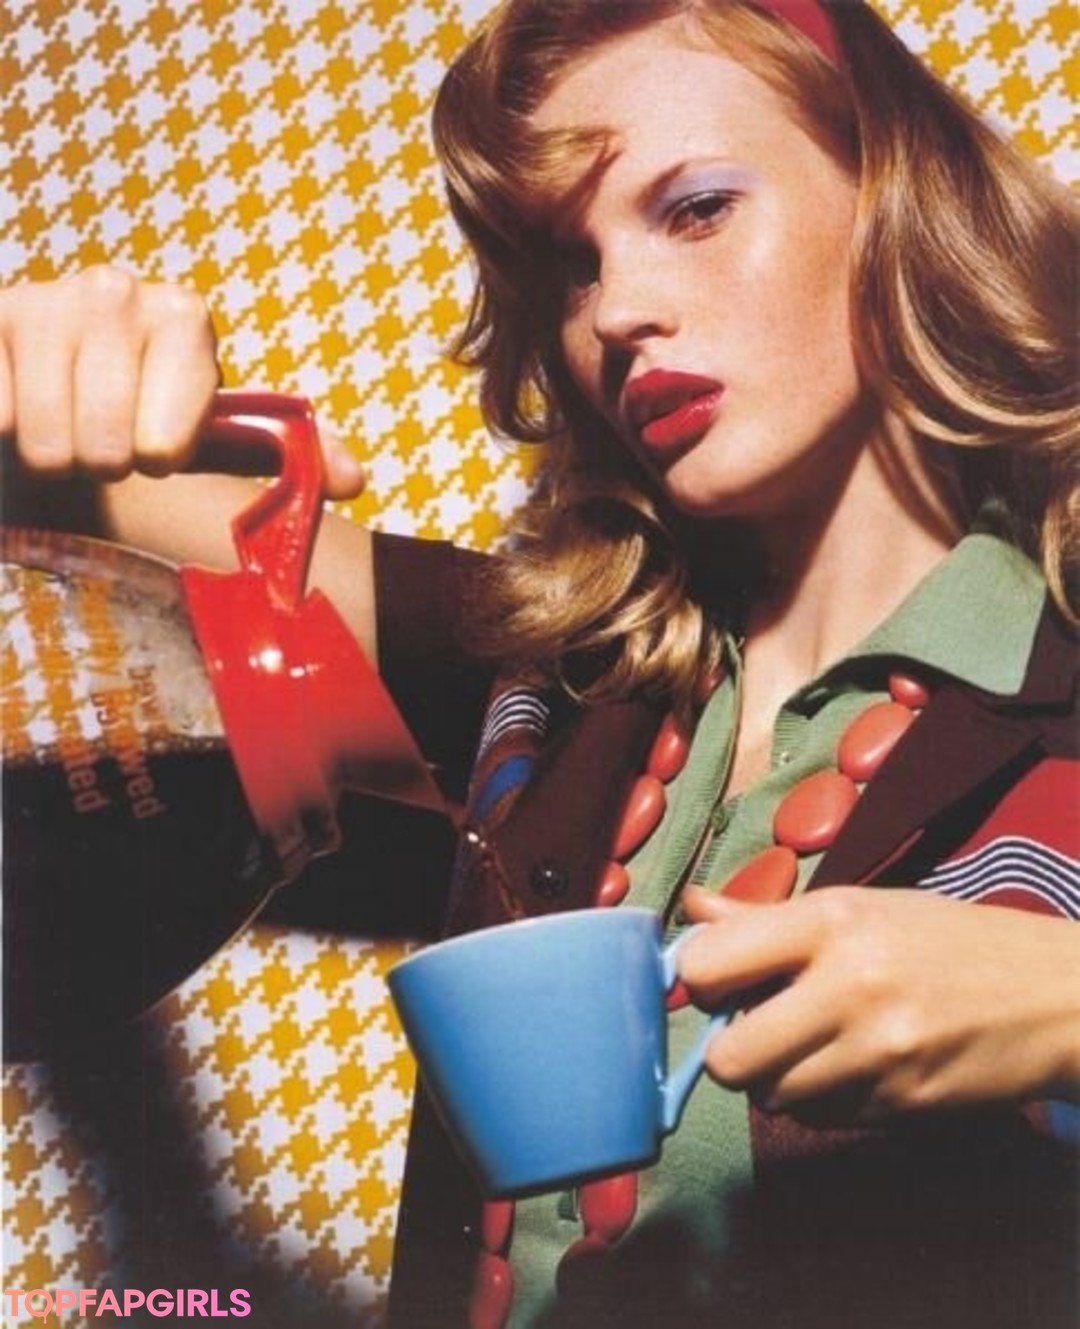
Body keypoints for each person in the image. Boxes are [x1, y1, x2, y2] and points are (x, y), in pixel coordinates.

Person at [2, 1, 1077, 1327]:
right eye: (570, 266)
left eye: (695, 209)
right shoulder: (563, 677)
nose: (616, 310)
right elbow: (79, 506)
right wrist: (41, 378)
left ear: (895, 201)